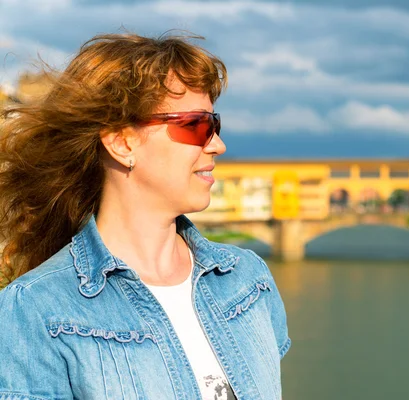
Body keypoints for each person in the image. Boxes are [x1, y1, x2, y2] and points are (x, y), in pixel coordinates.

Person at [0, 32, 290, 400]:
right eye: (195, 125)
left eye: (214, 124)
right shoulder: (34, 310)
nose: (217, 144)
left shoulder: (248, 281)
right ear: (122, 142)